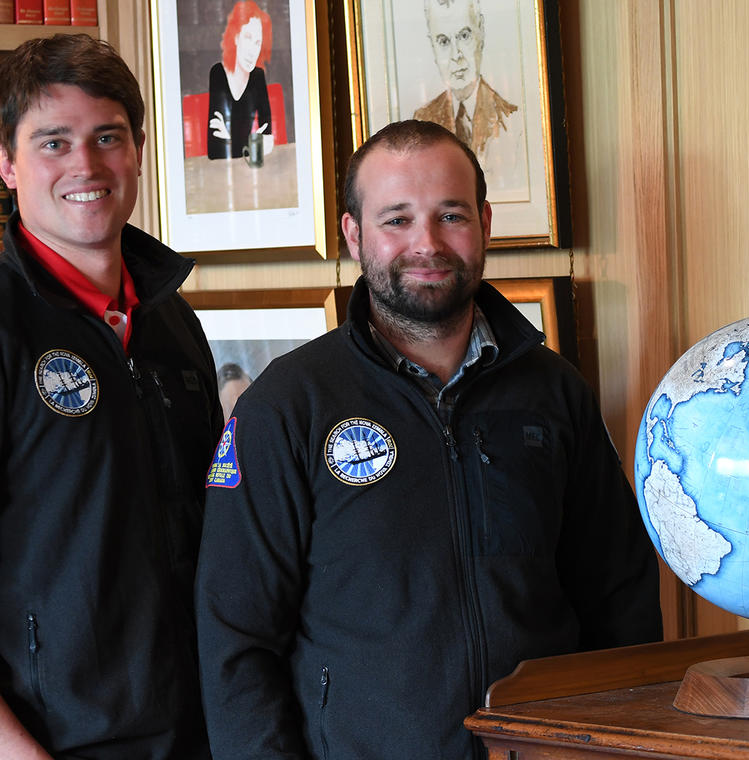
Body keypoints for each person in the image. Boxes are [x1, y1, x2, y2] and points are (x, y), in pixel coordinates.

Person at [194, 119, 662, 759]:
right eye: (397, 220)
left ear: (486, 223)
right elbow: (236, 639)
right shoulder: (287, 405)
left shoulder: (556, 394)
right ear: (354, 235)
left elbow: (620, 603)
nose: (427, 243)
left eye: (451, 215)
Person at [0, 33, 223, 760]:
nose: (85, 165)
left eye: (106, 137)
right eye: (53, 142)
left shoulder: (173, 326)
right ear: (5, 162)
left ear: (138, 151)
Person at [414, 0, 524, 194]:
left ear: (480, 32)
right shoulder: (420, 120)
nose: (456, 55)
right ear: (432, 45)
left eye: (464, 36)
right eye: (444, 42)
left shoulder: (511, 118)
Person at [207, 0, 274, 160]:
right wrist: (251, 144)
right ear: (236, 37)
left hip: (251, 172)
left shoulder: (258, 77)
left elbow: (267, 134)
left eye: (257, 43)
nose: (252, 50)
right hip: (221, 172)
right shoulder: (217, 73)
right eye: (247, 37)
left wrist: (231, 139)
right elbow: (216, 147)